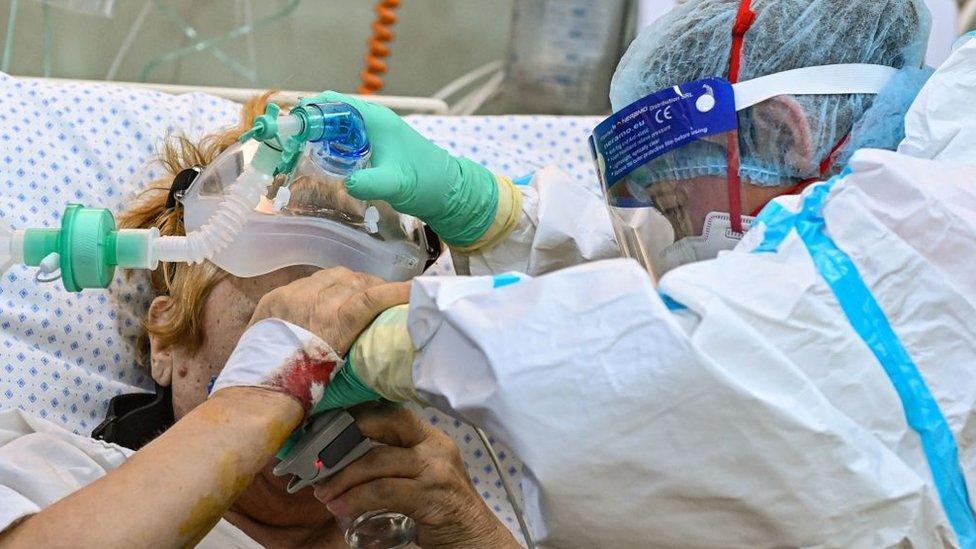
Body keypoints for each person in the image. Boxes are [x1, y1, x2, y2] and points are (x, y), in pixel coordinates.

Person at [218, 0, 976, 546]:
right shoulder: (904, 182)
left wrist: (421, 339)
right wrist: (495, 216)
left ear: (782, 130)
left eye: (674, 204)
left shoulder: (932, 202)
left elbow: (711, 360)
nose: (329, 287)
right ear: (161, 331)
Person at [0, 94, 519, 549]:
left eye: (356, 325)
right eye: (276, 314)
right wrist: (263, 393)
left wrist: (470, 528)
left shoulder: (436, 523)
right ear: (167, 343)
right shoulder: (60, 475)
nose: (326, 362)